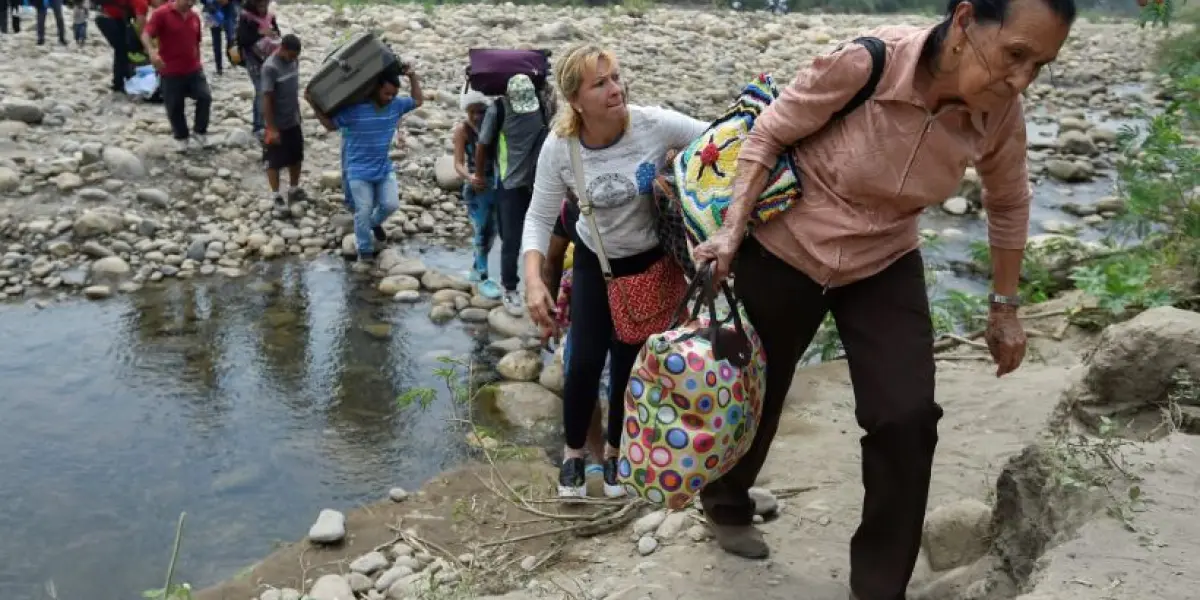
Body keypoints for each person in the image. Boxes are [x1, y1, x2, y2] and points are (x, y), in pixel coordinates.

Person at [690, 0, 1075, 595]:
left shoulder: (1001, 112)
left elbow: (1008, 200)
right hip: (791, 243)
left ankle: (878, 586)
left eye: (1040, 66)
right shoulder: (866, 62)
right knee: (754, 386)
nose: (1021, 80)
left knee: (906, 416)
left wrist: (1005, 307)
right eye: (1016, 55)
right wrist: (731, 231)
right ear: (965, 21)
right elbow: (768, 134)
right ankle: (725, 501)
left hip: (885, 256)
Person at [521, 44, 708, 499]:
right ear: (575, 100)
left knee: (629, 363)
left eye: (617, 78)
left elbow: (717, 139)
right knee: (583, 361)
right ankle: (572, 455)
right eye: (600, 83)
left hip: (650, 262)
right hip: (595, 261)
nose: (616, 89)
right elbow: (538, 217)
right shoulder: (560, 147)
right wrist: (533, 281)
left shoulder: (654, 124)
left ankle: (614, 453)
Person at [309, 67, 424, 262]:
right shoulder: (355, 110)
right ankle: (365, 250)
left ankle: (371, 223)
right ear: (375, 89)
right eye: (386, 93)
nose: (390, 98)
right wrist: (313, 104)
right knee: (363, 210)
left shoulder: (396, 105)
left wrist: (412, 76)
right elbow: (330, 125)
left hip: (383, 168)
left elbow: (418, 101)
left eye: (393, 94)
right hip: (358, 171)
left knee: (391, 204)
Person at [474, 72, 555, 316]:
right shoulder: (498, 110)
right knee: (511, 239)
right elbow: (482, 145)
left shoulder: (542, 105)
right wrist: (479, 175)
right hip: (509, 184)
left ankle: (543, 286)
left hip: (539, 182)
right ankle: (510, 287)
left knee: (546, 236)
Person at [453, 87, 503, 299]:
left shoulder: (496, 126)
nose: (476, 116)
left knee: (492, 232)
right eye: (472, 111)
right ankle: (483, 277)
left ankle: (476, 269)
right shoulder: (462, 130)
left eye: (481, 111)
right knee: (481, 231)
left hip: (497, 185)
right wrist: (470, 176)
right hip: (477, 188)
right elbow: (458, 163)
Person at [141, 0, 210, 152]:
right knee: (175, 106)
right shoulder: (162, 14)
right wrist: (152, 53)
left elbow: (196, 42)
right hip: (170, 70)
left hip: (193, 68)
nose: (190, 3)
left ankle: (200, 132)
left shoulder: (194, 17)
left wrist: (198, 61)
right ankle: (181, 137)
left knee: (205, 97)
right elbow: (146, 34)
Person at [261, 33, 305, 210]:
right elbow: (266, 99)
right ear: (283, 49)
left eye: (296, 56)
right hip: (277, 122)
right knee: (274, 160)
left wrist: (298, 114)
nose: (293, 59)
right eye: (291, 55)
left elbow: (293, 90)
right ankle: (276, 195)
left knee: (296, 155)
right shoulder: (270, 68)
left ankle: (293, 189)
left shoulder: (294, 61)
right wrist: (271, 128)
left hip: (293, 118)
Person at [235, 0, 278, 138]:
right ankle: (258, 126)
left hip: (269, 57)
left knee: (272, 89)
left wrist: (273, 34)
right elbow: (242, 39)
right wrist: (261, 33)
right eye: (260, 5)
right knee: (261, 90)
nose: (263, 8)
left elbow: (277, 32)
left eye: (265, 5)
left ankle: (270, 121)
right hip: (252, 58)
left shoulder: (270, 15)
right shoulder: (246, 17)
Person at [95, 0, 148, 93]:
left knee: (122, 50)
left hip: (110, 17)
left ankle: (122, 81)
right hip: (108, 19)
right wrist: (148, 47)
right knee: (122, 50)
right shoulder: (142, 3)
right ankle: (120, 84)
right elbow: (141, 28)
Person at [201, 0, 237, 76]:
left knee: (232, 38)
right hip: (212, 10)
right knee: (216, 41)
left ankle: (236, 62)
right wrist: (208, 3)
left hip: (228, 9)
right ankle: (219, 68)